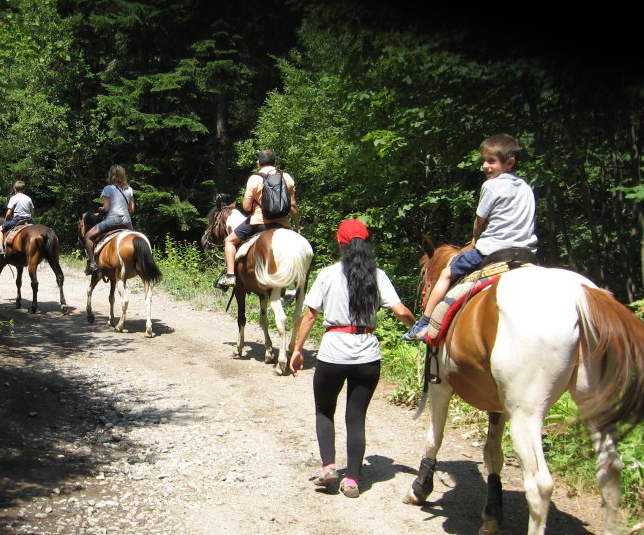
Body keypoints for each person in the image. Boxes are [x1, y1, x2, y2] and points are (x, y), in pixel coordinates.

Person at [289, 219, 416, 498]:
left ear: (339, 243)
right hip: (367, 354)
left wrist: (297, 350)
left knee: (324, 410)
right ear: (365, 243)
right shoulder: (378, 276)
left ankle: (330, 468)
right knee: (356, 417)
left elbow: (310, 315)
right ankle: (353, 481)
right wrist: (421, 331)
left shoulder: (327, 274)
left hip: (333, 351)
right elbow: (402, 311)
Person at [403, 133, 538, 341]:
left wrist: (475, 240)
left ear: (510, 162)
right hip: (526, 254)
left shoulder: (491, 186)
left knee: (447, 273)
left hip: (493, 251)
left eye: (491, 161)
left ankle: (424, 323)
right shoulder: (527, 189)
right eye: (484, 160)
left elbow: (479, 221)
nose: (485, 165)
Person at [215, 149, 298, 289]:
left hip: (258, 222)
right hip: (283, 224)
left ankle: (230, 276)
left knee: (229, 241)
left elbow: (246, 207)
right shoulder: (287, 177)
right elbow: (294, 206)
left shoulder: (255, 178)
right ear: (275, 162)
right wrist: (297, 226)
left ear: (259, 163)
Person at [83, 164, 135, 274]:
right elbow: (132, 209)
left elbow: (106, 208)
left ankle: (93, 264)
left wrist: (100, 208)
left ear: (111, 175)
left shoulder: (108, 189)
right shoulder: (129, 189)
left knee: (88, 236)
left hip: (112, 220)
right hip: (126, 222)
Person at [0, 180, 34, 256]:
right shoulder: (28, 198)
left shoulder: (13, 198)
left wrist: (6, 220)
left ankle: (0, 249)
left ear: (15, 189)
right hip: (28, 220)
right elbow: (32, 212)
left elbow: (9, 213)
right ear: (24, 189)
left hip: (17, 219)